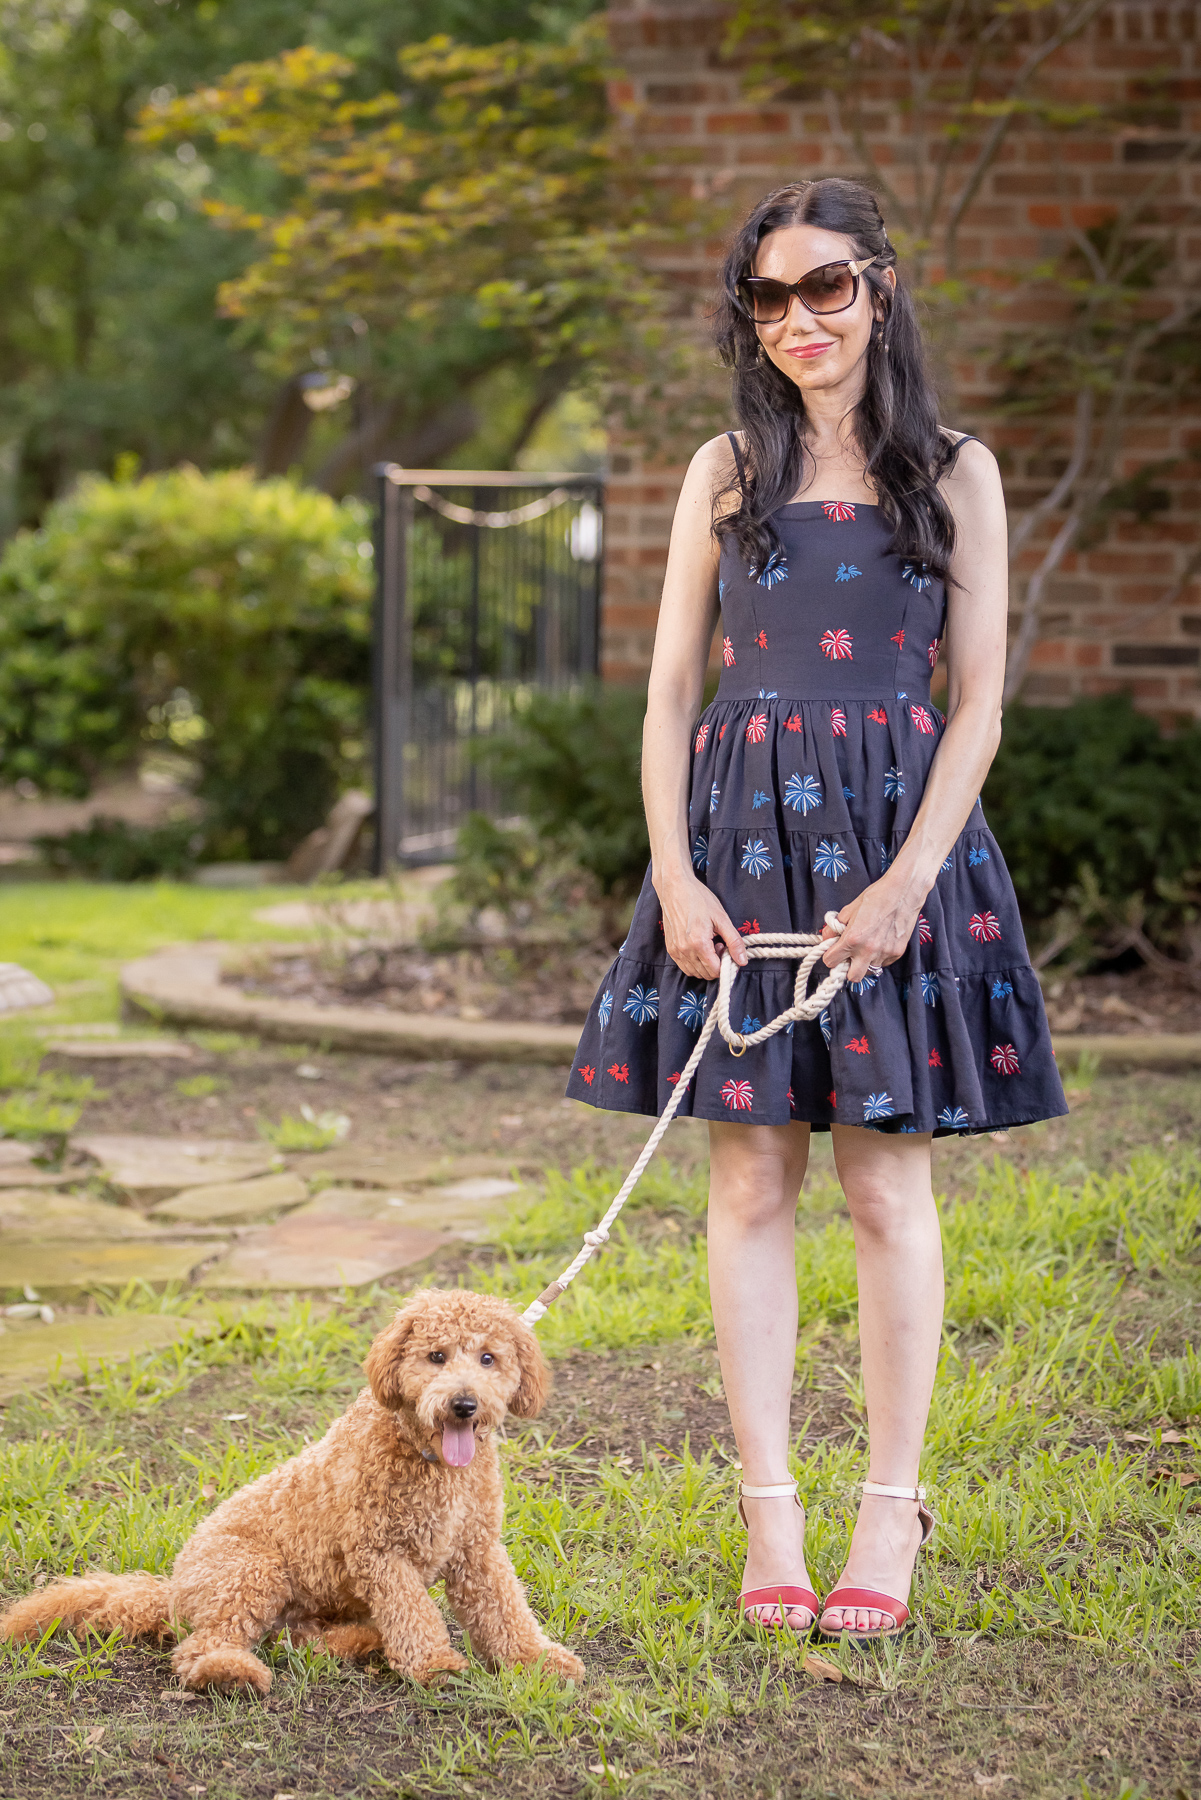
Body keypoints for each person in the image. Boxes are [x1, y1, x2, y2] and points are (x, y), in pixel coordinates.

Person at [566, 178, 1067, 1642]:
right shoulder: (722, 468)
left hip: (897, 843)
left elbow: (974, 705)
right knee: (744, 1181)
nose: (800, 322)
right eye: (769, 300)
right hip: (737, 840)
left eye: (826, 289)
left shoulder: (954, 471)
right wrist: (672, 871)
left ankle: (889, 1510)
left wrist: (909, 881)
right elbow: (667, 692)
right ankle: (769, 1515)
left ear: (881, 287)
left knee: (881, 1184)